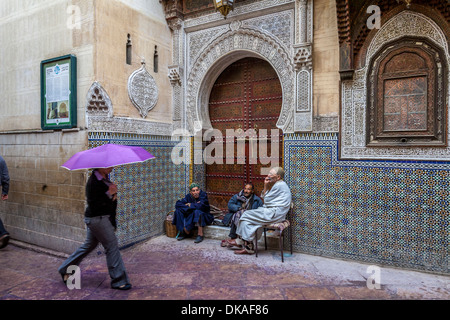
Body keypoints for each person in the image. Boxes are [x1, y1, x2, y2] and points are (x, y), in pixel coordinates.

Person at [58, 167, 132, 290]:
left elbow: (110, 202)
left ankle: (65, 269)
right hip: (97, 219)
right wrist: (110, 193)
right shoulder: (93, 182)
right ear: (100, 166)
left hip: (100, 219)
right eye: (109, 165)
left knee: (89, 245)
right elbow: (95, 204)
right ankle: (119, 280)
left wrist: (113, 196)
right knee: (112, 246)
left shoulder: (105, 180)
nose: (112, 167)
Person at [227, 167, 292, 255]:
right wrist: (266, 185)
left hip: (274, 214)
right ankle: (248, 247)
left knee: (245, 214)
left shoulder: (279, 185)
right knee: (247, 221)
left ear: (278, 177)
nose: (268, 176)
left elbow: (266, 200)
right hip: (272, 212)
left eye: (271, 174)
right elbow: (268, 198)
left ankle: (241, 241)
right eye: (269, 173)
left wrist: (265, 185)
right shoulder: (277, 184)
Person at [221, 183, 263, 247]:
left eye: (248, 189)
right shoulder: (237, 196)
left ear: (252, 191)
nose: (246, 191)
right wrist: (239, 209)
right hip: (237, 216)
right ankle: (235, 239)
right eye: (245, 189)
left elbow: (261, 210)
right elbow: (230, 205)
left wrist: (248, 213)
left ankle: (242, 241)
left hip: (250, 218)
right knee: (238, 215)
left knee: (244, 219)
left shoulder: (257, 200)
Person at [0, 155, 10, 249]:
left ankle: (2, 233)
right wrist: (5, 191)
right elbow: (5, 177)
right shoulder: (1, 159)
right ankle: (2, 233)